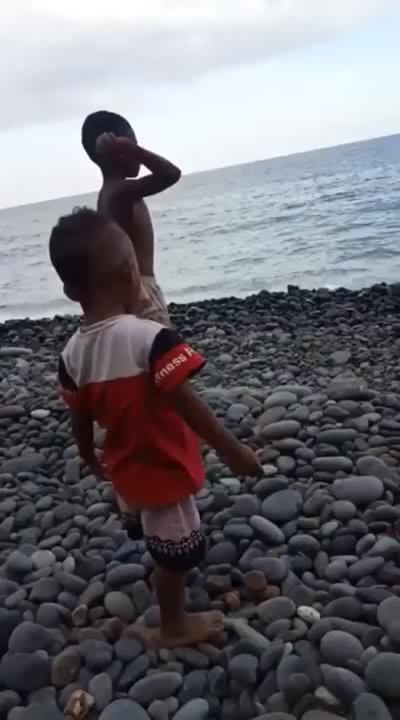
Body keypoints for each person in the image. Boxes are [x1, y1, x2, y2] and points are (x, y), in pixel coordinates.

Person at [50, 207, 263, 648]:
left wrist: (87, 453)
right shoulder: (149, 338)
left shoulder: (71, 355)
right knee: (176, 557)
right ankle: (172, 624)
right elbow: (187, 401)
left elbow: (79, 415)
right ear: (133, 274)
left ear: (70, 290)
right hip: (162, 468)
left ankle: (155, 548)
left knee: (154, 529)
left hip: (124, 466)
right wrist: (232, 450)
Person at [81, 110, 181, 533]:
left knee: (145, 390)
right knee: (164, 383)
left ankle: (134, 493)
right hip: (142, 296)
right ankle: (152, 486)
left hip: (137, 292)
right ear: (113, 149)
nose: (137, 149)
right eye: (130, 142)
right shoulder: (119, 192)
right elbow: (171, 173)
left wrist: (127, 148)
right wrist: (131, 150)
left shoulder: (115, 193)